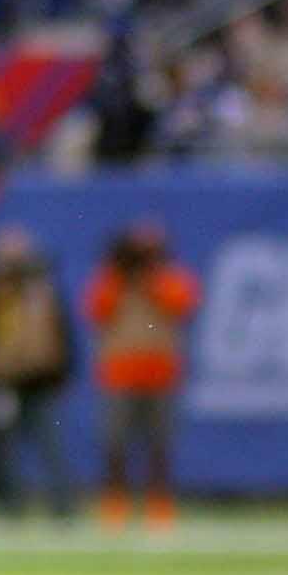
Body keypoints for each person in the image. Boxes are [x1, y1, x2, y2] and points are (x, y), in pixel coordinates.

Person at [82, 220, 201, 529]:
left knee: (159, 444)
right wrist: (121, 275)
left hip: (160, 372)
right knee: (115, 443)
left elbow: (183, 303)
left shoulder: (169, 277)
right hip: (119, 372)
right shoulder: (112, 279)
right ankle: (115, 505)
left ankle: (158, 506)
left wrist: (150, 278)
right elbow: (95, 309)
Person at [0, 224, 76, 518]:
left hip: (36, 379)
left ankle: (62, 505)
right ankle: (11, 505)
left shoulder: (41, 290)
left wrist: (60, 373)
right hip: (4, 380)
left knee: (48, 445)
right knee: (5, 448)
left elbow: (60, 333)